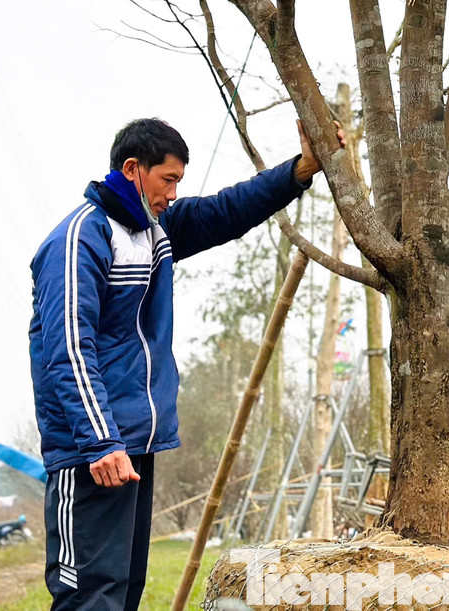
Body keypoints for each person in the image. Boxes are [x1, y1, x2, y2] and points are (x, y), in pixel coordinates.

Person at [30, 117, 341, 610]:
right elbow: (68, 349)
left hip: (131, 444)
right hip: (90, 451)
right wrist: (100, 442)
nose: (173, 194)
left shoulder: (156, 230)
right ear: (133, 169)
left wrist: (301, 169)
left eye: (179, 182)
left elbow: (225, 210)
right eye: (167, 180)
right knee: (89, 597)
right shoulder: (79, 240)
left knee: (123, 591)